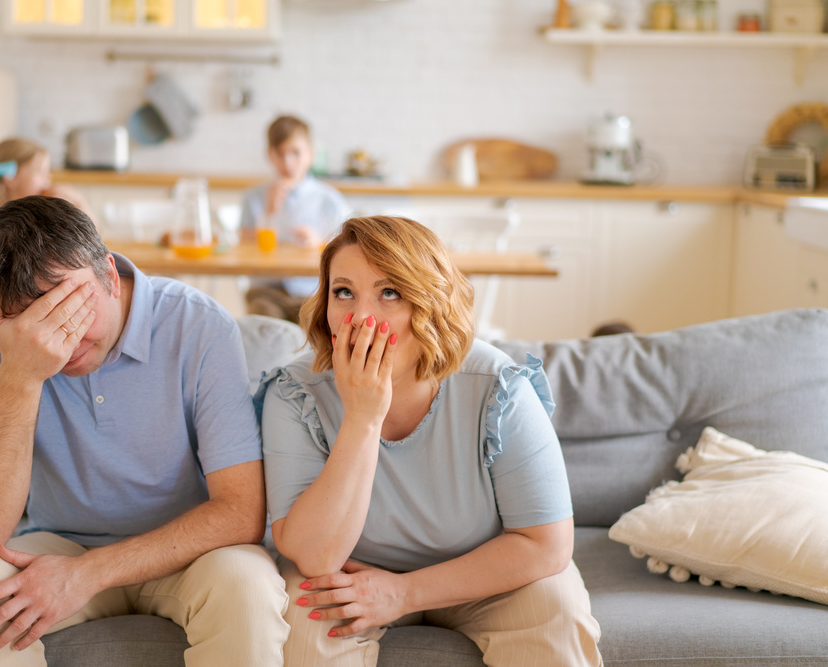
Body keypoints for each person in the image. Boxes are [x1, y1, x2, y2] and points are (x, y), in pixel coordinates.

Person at [0, 196, 288, 666]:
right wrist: (20, 374)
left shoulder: (200, 326)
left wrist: (86, 574)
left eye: (71, 306)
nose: (61, 339)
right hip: (59, 541)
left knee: (248, 587)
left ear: (110, 276)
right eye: (32, 321)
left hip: (190, 552)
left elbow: (242, 511)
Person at [256, 216, 602, 666]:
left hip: (484, 575)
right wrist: (362, 419)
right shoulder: (295, 392)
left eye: (389, 293)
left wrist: (403, 592)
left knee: (555, 612)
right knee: (305, 626)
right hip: (349, 577)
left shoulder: (497, 386)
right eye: (344, 292)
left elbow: (546, 544)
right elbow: (314, 555)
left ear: (429, 302)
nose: (361, 319)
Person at [239, 115, 352, 323]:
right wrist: (269, 213)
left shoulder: (330, 200)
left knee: (318, 328)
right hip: (266, 290)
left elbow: (349, 251)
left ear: (310, 154)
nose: (288, 162)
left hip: (312, 292)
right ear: (269, 155)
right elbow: (243, 246)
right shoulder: (254, 197)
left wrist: (318, 243)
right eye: (280, 154)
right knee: (261, 327)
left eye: (296, 153)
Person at [0, 137, 92, 233]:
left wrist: (78, 201)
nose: (48, 179)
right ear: (10, 177)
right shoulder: (0, 228)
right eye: (40, 172)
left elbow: (93, 237)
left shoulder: (39, 214)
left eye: (47, 172)